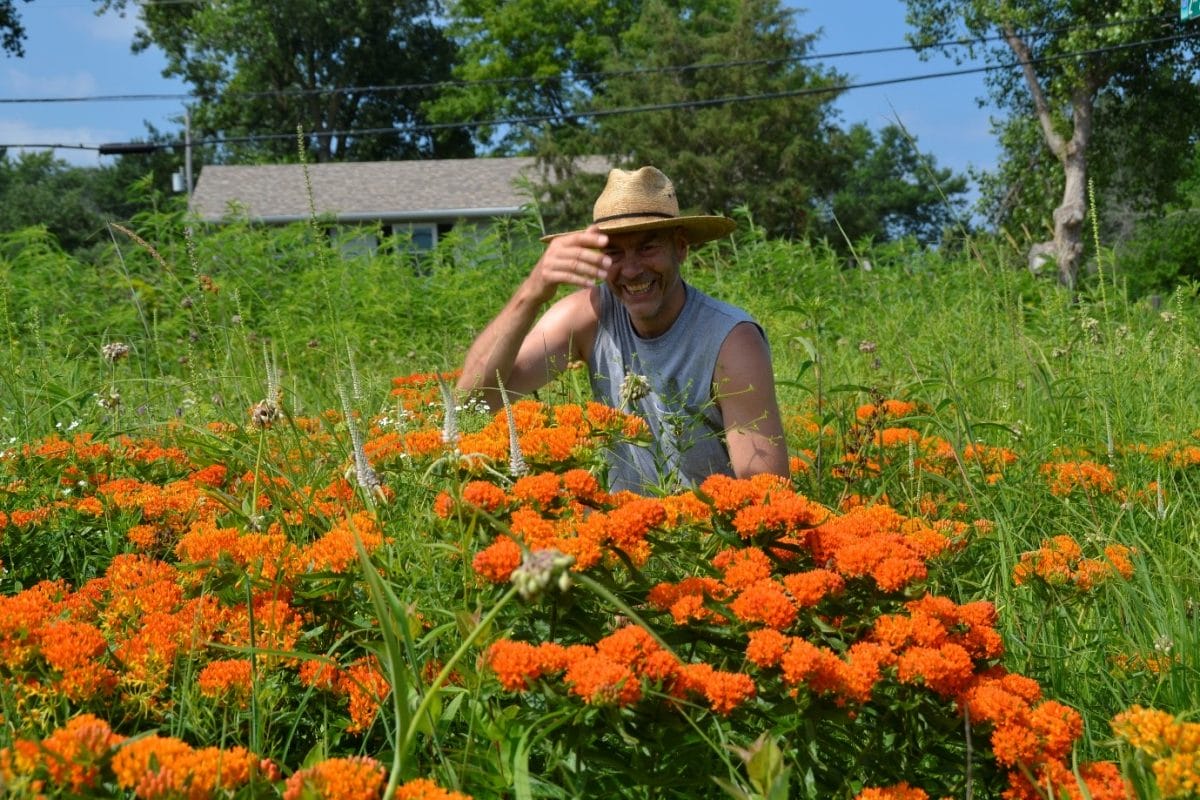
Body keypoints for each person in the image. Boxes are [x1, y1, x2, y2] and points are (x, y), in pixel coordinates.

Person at [457, 165, 789, 493]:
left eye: (648, 247)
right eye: (613, 252)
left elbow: (765, 492)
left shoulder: (731, 340)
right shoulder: (589, 316)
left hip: (703, 538)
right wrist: (531, 294)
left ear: (681, 247)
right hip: (617, 535)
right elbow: (475, 400)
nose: (630, 270)